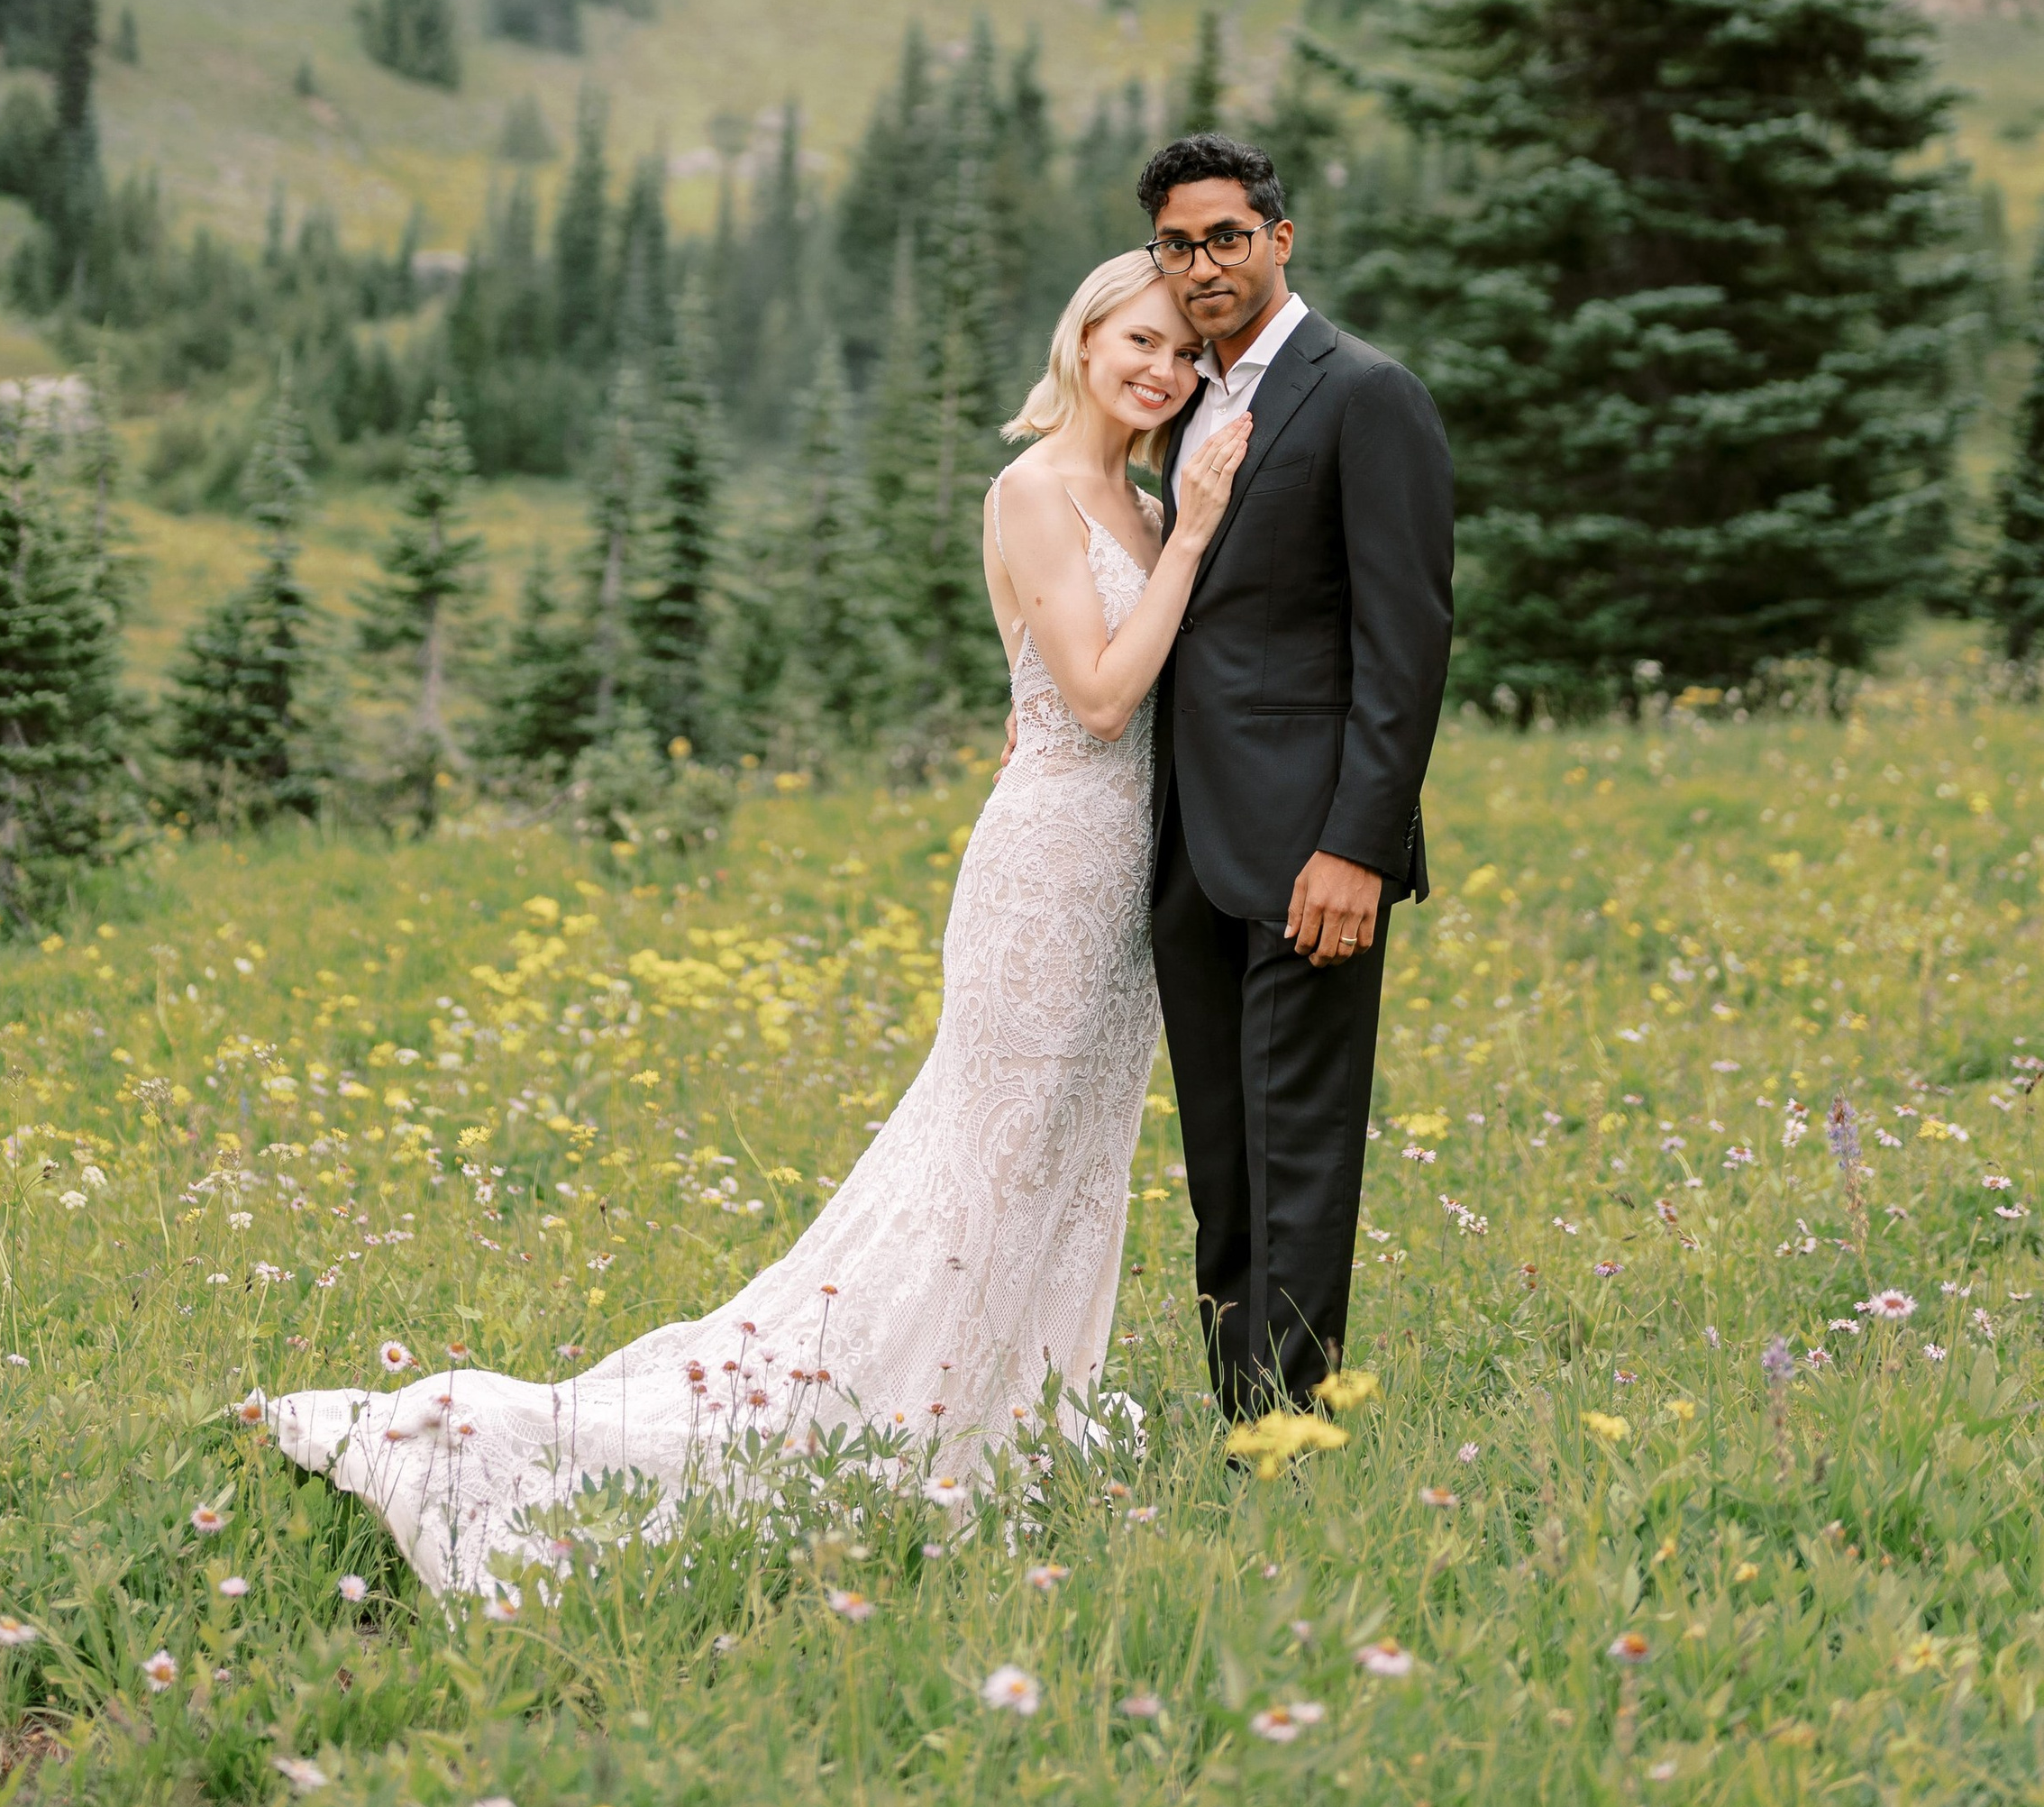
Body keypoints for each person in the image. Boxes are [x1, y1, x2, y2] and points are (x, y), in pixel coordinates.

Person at [264, 250, 1247, 1593]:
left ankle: (1005, 1410)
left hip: (1128, 886)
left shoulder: (1136, 496)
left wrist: (1182, 529)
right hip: (1048, 875)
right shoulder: (1034, 493)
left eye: (1185, 354)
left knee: (1065, 1170)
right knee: (983, 1161)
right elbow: (1096, 700)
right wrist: (1196, 534)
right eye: (1139, 338)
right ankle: (892, 1419)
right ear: (1082, 339)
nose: (1162, 369)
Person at [1138, 131, 1452, 1421]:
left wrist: (1360, 846)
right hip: (1191, 850)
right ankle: (1239, 1412)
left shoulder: (1364, 392)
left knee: (1302, 1154)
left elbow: (1406, 640)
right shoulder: (1180, 402)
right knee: (1223, 1154)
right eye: (1177, 244)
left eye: (1224, 236)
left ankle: (1290, 1426)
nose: (1202, 264)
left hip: (1314, 848)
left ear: (1278, 237)